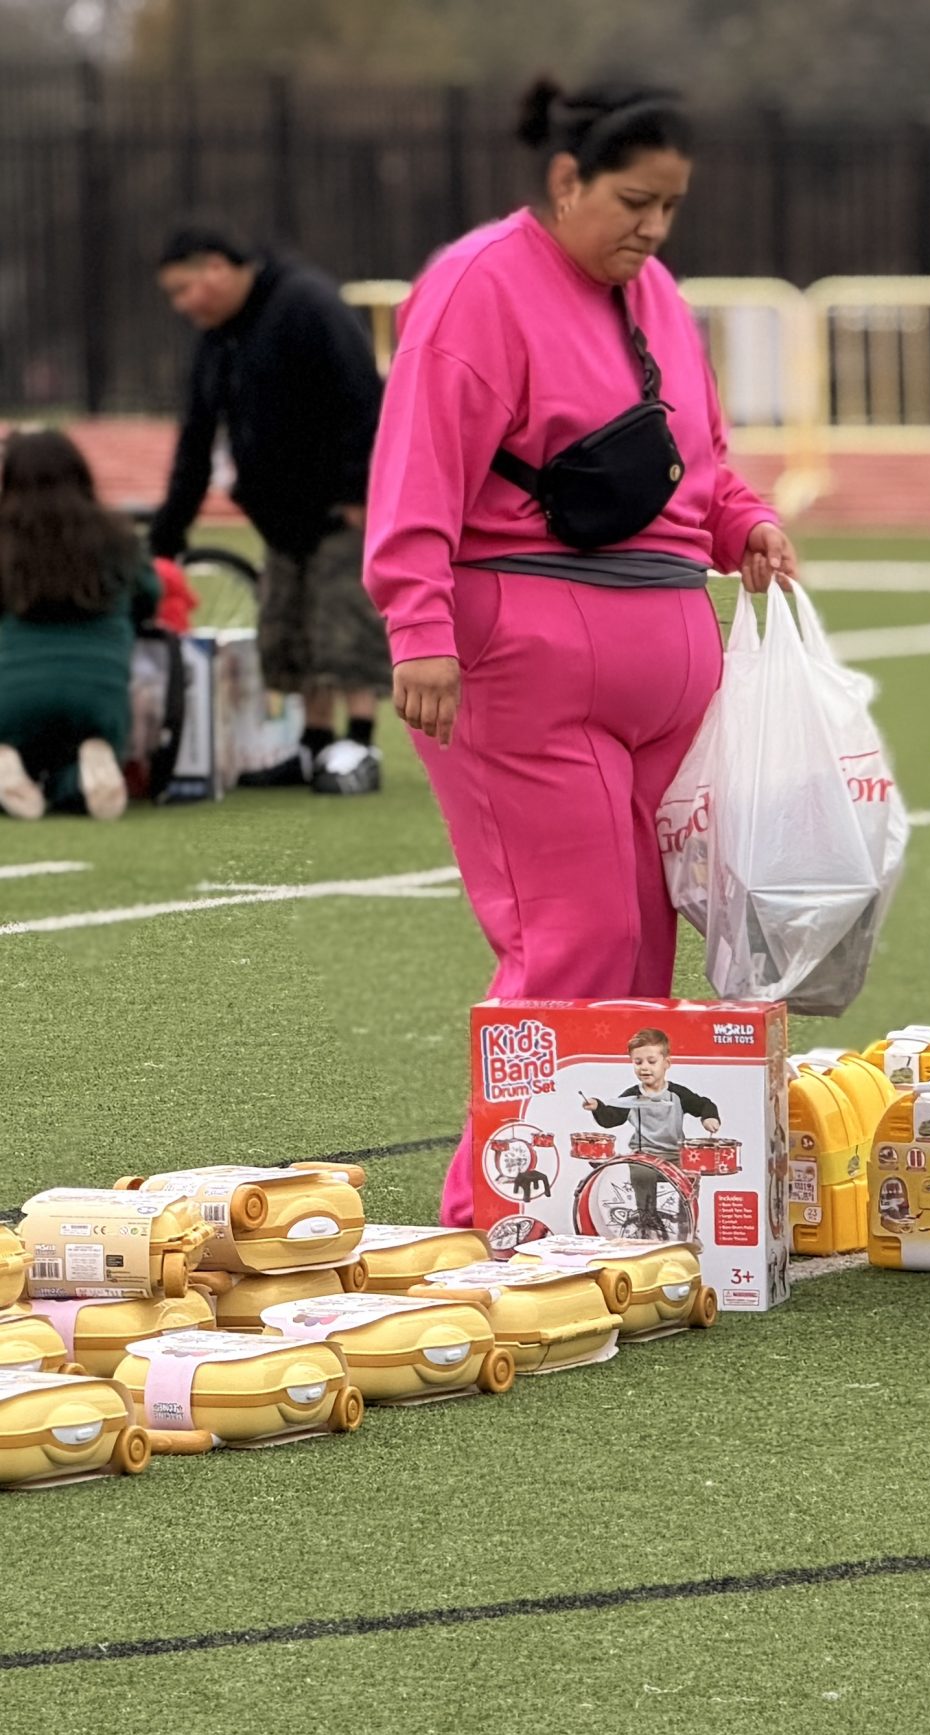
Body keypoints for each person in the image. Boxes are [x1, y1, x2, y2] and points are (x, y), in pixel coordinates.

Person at [365, 77, 796, 1229]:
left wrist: (740, 519)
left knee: (653, 932)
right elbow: (417, 469)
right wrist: (420, 629)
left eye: (670, 207)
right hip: (523, 649)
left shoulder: (657, 294)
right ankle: (487, 1211)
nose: (653, 230)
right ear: (566, 182)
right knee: (573, 936)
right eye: (633, 201)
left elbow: (696, 454)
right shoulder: (475, 286)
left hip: (668, 644)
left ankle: (598, 1206)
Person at [148, 222, 394, 794]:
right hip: (281, 515)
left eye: (185, 289)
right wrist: (168, 534)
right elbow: (196, 439)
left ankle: (358, 741)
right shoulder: (219, 335)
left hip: (340, 506)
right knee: (291, 629)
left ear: (216, 266)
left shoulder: (306, 303)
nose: (182, 306)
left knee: (343, 625)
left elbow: (364, 395)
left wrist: (361, 492)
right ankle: (311, 743)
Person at [0, 430, 158, 822]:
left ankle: (7, 765)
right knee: (73, 764)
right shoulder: (119, 538)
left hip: (11, 696)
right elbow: (149, 596)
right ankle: (83, 775)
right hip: (99, 694)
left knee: (20, 740)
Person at [584, 1027, 717, 1240]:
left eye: (651, 1061)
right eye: (638, 1062)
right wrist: (598, 1106)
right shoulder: (631, 1096)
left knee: (690, 1179)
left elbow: (703, 1104)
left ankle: (689, 1226)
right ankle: (647, 1225)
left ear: (667, 1063)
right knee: (641, 1174)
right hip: (643, 1156)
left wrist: (709, 1117)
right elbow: (612, 1118)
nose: (644, 1068)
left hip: (675, 1155)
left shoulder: (678, 1094)